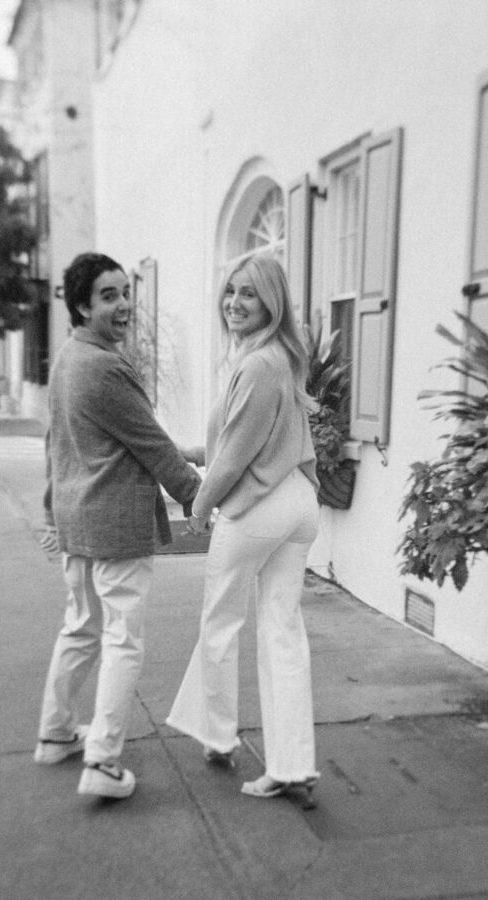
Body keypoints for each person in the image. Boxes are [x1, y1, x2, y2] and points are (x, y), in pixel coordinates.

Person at [35, 252, 202, 801]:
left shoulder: (67, 360)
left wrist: (48, 511)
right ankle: (103, 762)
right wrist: (200, 498)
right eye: (109, 296)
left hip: (76, 518)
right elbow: (148, 443)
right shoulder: (104, 366)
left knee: (80, 628)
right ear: (82, 306)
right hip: (113, 523)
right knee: (122, 640)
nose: (124, 304)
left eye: (125, 292)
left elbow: (58, 442)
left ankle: (56, 735)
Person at [166, 253, 320, 799]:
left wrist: (200, 504)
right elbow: (240, 438)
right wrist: (190, 450)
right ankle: (292, 764)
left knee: (221, 620)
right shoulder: (277, 357)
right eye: (231, 291)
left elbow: (236, 455)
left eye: (249, 294)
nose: (235, 302)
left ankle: (218, 736)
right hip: (297, 503)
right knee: (282, 630)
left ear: (271, 301)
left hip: (261, 506)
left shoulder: (256, 364)